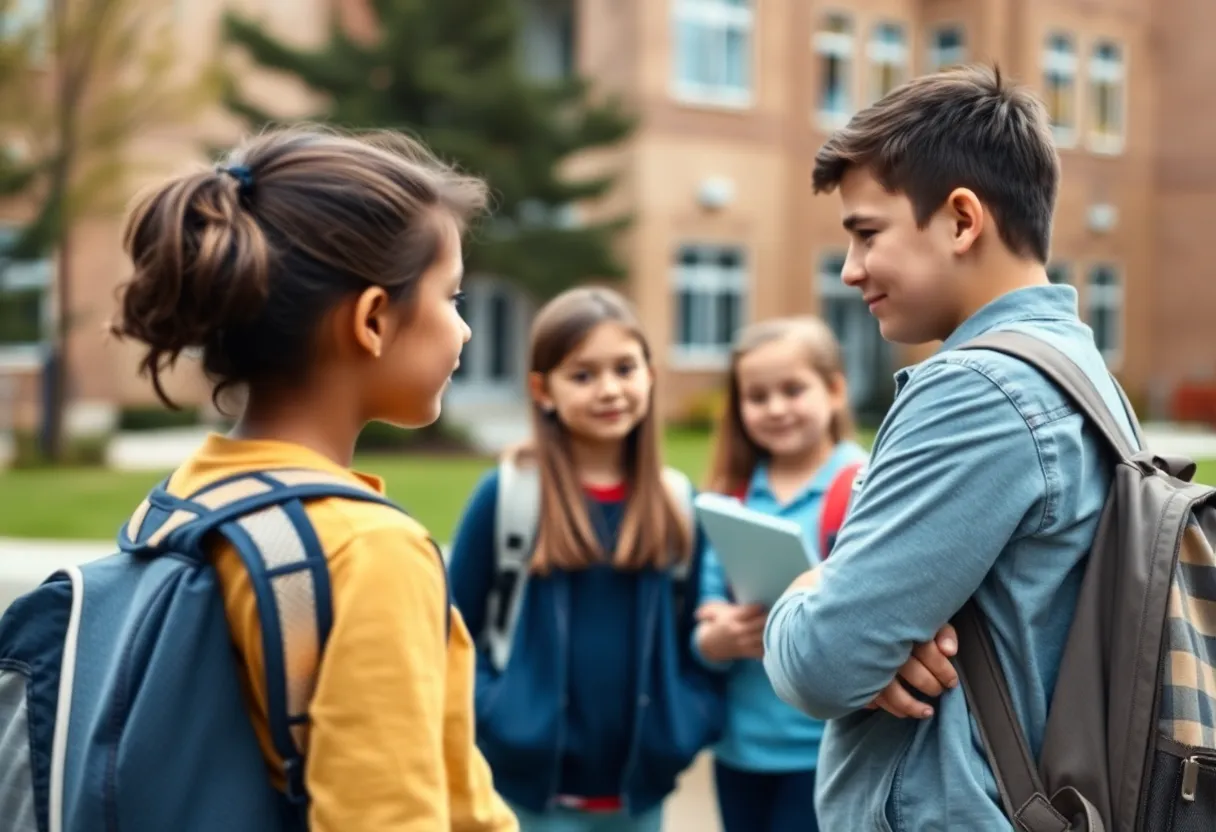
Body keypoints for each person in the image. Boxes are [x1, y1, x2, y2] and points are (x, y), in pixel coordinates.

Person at [761, 65, 1139, 830]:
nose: (850, 269)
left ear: (962, 220)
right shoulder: (1082, 373)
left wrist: (806, 590)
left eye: (867, 232)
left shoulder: (975, 390)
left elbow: (827, 663)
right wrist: (877, 633)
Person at [110, 126, 517, 831]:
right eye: (451, 298)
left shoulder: (184, 502)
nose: (465, 331)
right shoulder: (367, 552)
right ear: (372, 320)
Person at [447, 287, 723, 832]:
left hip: (638, 798)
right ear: (542, 390)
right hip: (526, 796)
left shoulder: (676, 502)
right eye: (583, 375)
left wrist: (687, 722)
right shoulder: (507, 495)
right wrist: (501, 716)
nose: (609, 390)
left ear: (650, 373)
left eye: (625, 368)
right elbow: (448, 630)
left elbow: (699, 635)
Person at [694, 317, 957, 832]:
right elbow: (702, 625)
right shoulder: (733, 499)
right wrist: (716, 640)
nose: (775, 408)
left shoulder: (866, 484)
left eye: (793, 390)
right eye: (757, 396)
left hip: (828, 752)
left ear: (835, 390)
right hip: (741, 750)